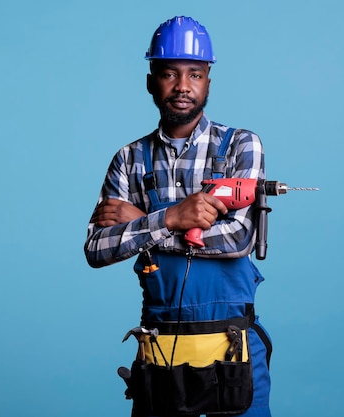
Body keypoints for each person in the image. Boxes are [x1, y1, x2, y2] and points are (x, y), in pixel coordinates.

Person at [84, 16, 272, 417]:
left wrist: (145, 221)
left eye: (195, 74)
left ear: (208, 81)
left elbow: (238, 238)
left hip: (232, 349)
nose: (182, 86)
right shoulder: (129, 159)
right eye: (169, 73)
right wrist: (169, 218)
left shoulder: (241, 145)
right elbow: (97, 248)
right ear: (151, 80)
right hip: (160, 352)